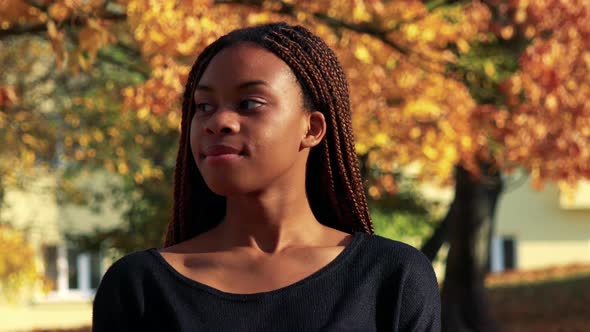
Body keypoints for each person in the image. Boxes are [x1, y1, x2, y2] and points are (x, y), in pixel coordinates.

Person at [92, 22, 441, 331]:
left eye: (248, 104)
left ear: (312, 128)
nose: (218, 122)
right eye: (204, 106)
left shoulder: (391, 277)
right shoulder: (138, 287)